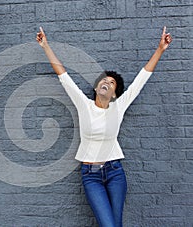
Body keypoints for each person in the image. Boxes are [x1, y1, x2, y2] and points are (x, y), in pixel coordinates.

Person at [36, 26, 172, 227]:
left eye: (112, 83)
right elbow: (64, 77)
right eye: (104, 81)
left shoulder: (118, 107)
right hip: (91, 176)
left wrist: (160, 49)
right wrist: (45, 46)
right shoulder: (84, 105)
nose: (107, 83)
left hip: (115, 172)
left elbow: (141, 79)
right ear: (96, 87)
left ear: (115, 94)